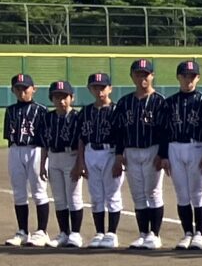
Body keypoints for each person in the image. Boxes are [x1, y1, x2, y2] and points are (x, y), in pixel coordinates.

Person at [115, 58, 171, 250]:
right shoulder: (125, 102)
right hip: (131, 151)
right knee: (138, 194)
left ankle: (154, 234)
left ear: (152, 76)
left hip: (152, 150)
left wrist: (162, 154)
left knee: (153, 192)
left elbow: (165, 131)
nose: (142, 78)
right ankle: (143, 234)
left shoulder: (160, 102)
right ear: (132, 76)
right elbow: (119, 131)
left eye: (145, 75)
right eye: (138, 74)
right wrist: (119, 154)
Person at [162, 58, 202, 250]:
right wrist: (164, 155)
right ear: (178, 77)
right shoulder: (169, 103)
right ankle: (187, 233)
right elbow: (164, 130)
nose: (188, 80)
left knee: (198, 193)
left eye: (192, 76)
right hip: (174, 147)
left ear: (198, 78)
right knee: (182, 194)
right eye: (184, 76)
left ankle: (200, 234)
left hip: (196, 147)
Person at [1, 72, 49, 248]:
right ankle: (22, 231)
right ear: (13, 90)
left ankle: (42, 232)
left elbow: (46, 136)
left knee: (39, 191)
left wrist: (44, 158)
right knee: (19, 192)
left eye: (25, 88)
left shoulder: (41, 110)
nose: (22, 92)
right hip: (15, 150)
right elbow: (8, 135)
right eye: (18, 89)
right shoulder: (10, 110)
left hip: (35, 149)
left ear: (33, 89)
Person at [79, 70, 124, 249]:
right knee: (96, 195)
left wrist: (119, 158)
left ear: (110, 89)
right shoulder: (85, 112)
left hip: (110, 152)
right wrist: (81, 161)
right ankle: (99, 232)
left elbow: (122, 136)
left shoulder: (117, 110)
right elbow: (81, 138)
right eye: (95, 87)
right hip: (91, 152)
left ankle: (111, 233)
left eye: (102, 87)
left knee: (112, 194)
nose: (99, 91)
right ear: (89, 89)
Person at [43, 80, 88, 247]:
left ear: (72, 98)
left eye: (64, 97)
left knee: (74, 196)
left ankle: (75, 234)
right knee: (59, 198)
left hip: (71, 156)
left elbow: (82, 141)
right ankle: (63, 233)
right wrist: (42, 164)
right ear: (51, 99)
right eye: (57, 97)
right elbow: (44, 143)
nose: (61, 101)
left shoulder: (78, 117)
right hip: (53, 157)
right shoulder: (48, 118)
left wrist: (80, 163)